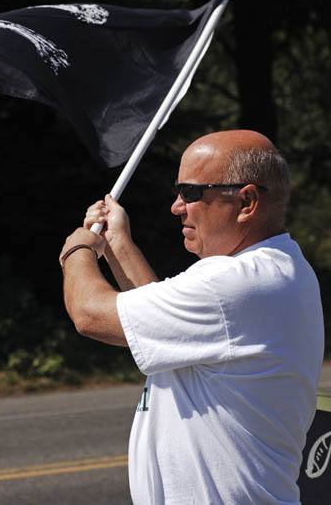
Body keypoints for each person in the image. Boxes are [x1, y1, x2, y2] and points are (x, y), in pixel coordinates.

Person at [59, 129, 324, 504]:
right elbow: (160, 322)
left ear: (247, 201)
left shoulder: (236, 282)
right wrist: (118, 242)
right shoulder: (276, 270)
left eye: (192, 193)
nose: (177, 206)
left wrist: (77, 250)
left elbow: (90, 314)